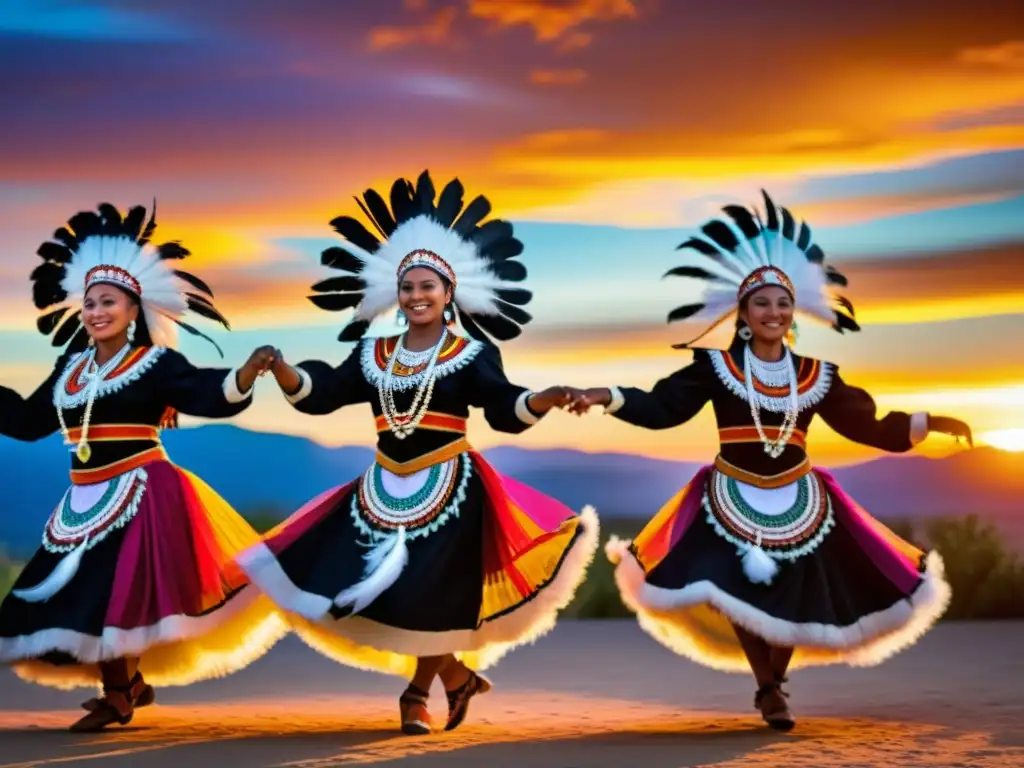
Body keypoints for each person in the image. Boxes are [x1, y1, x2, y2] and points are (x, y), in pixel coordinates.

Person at [568, 192, 970, 730]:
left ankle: (775, 681)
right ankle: (768, 688)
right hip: (729, 494)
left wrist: (932, 423)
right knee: (740, 590)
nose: (773, 313)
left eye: (782, 303)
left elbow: (867, 424)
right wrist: (607, 395)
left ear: (794, 312)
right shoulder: (713, 367)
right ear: (743, 313)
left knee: (795, 593)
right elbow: (663, 408)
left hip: (802, 497)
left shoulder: (818, 374)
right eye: (762, 304)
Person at [238, 170, 599, 735]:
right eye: (407, 288)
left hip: (453, 487)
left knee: (434, 593)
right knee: (364, 587)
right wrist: (281, 367)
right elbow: (325, 396)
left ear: (449, 293)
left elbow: (502, 406)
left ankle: (416, 695)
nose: (416, 296)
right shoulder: (372, 352)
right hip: (382, 485)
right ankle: (457, 679)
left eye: (428, 286)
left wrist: (546, 397)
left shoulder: (473, 352)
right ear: (395, 296)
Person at [0, 203, 287, 732]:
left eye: (108, 301)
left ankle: (119, 696)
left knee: (116, 591)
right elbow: (27, 420)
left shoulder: (156, 364)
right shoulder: (71, 368)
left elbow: (208, 393)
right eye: (88, 303)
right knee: (77, 593)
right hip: (83, 496)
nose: (95, 311)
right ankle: (128, 686)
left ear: (135, 309)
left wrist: (244, 374)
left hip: (142, 491)